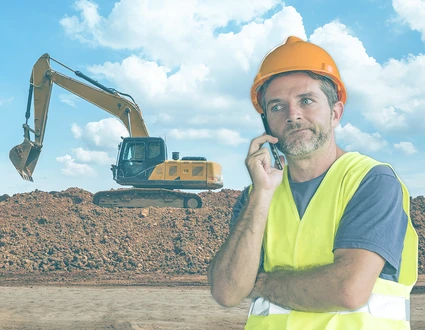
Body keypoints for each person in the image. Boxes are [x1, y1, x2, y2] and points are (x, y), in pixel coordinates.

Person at [207, 36, 418, 329]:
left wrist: (263, 283)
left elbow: (348, 289)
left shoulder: (371, 181)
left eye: (306, 101)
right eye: (277, 107)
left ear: (335, 113)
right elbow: (228, 291)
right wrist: (261, 195)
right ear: (267, 123)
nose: (293, 115)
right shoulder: (257, 196)